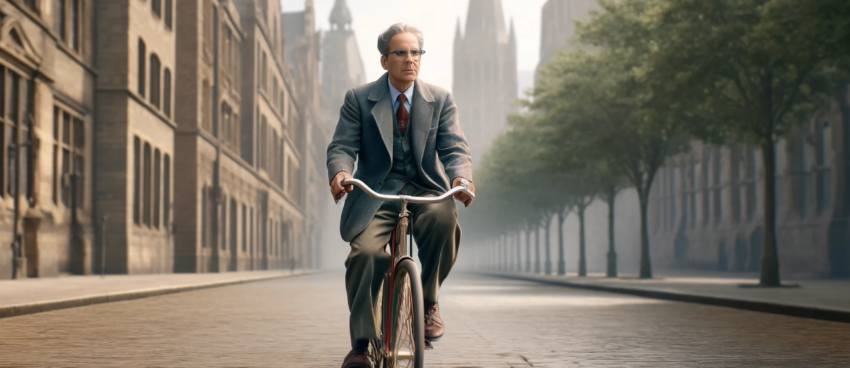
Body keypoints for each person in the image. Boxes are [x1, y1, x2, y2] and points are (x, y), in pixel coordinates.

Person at [327, 23, 475, 368]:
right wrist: (341, 173)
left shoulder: (439, 99)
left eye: (415, 53)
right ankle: (361, 345)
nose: (410, 60)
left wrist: (462, 178)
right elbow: (342, 146)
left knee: (444, 219)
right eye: (401, 53)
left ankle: (429, 303)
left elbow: (455, 148)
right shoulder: (359, 99)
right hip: (375, 193)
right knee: (364, 254)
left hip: (425, 189)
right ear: (384, 61)